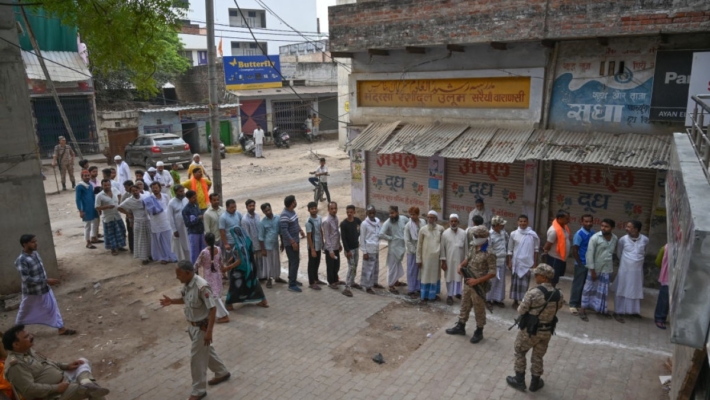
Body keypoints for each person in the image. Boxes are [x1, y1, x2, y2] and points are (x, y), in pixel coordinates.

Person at [159, 261, 231, 400]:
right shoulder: (187, 284)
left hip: (202, 328)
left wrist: (209, 331)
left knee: (196, 359)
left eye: (179, 274)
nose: (177, 277)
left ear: (188, 273)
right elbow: (186, 299)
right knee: (207, 351)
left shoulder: (202, 286)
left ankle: (198, 391)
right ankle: (221, 372)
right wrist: (172, 301)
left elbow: (212, 308)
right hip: (192, 326)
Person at [3, 325, 109, 399]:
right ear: (16, 345)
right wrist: (56, 388)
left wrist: (66, 366)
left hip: (63, 379)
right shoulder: (15, 365)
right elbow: (30, 390)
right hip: (52, 395)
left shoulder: (27, 350)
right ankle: (86, 384)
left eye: (29, 334)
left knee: (83, 361)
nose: (31, 337)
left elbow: (48, 362)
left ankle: (86, 382)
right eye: (26, 337)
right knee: (95, 390)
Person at [506, 264, 564, 393]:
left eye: (537, 275)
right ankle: (535, 383)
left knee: (520, 351)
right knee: (538, 356)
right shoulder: (559, 294)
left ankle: (519, 380)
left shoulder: (533, 292)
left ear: (544, 277)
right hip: (547, 330)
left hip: (530, 331)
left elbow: (521, 310)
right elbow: (558, 307)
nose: (535, 276)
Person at [14, 234, 76, 336]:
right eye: (33, 242)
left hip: (44, 288)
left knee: (53, 307)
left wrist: (46, 282)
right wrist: (46, 281)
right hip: (32, 292)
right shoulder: (21, 260)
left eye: (36, 241)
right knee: (24, 310)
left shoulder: (35, 254)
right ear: (25, 244)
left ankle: (61, 328)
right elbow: (26, 279)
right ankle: (17, 330)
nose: (36, 244)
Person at [445, 225, 496, 343]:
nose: (474, 237)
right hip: (468, 281)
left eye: (477, 236)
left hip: (479, 285)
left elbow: (493, 273)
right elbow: (467, 259)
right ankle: (461, 326)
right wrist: (461, 265)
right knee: (465, 304)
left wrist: (477, 281)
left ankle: (479, 330)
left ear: (483, 237)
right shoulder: (474, 246)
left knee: (479, 308)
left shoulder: (490, 252)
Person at [579, 219, 618, 322]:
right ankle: (582, 310)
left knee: (603, 290)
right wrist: (592, 271)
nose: (603, 228)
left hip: (607, 268)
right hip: (595, 268)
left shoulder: (614, 238)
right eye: (602, 226)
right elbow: (589, 254)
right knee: (588, 288)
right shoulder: (595, 238)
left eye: (606, 226)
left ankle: (600, 310)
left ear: (612, 228)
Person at [613, 220, 649, 320]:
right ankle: (618, 311)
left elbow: (645, 252)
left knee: (635, 290)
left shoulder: (645, 240)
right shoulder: (623, 240)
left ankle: (633, 311)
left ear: (636, 229)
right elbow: (619, 254)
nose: (626, 228)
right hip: (624, 270)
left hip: (637, 271)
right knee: (621, 288)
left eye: (629, 227)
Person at [225, 227, 269, 308]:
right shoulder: (246, 241)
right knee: (253, 282)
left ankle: (229, 304)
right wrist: (232, 258)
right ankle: (263, 300)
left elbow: (240, 260)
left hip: (240, 269)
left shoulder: (239, 245)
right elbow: (245, 253)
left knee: (234, 285)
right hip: (250, 267)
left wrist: (228, 267)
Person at [194, 233, 230, 324]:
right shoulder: (218, 249)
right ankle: (212, 313)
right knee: (215, 295)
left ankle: (224, 315)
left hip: (209, 277)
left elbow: (197, 264)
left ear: (205, 241)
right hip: (217, 276)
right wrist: (223, 272)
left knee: (214, 297)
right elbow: (221, 261)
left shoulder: (204, 252)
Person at [508, 215, 540, 308]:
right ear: (518, 222)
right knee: (515, 283)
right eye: (520, 221)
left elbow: (536, 250)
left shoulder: (532, 235)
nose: (522, 223)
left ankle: (524, 301)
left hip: (527, 262)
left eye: (524, 221)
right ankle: (515, 301)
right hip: (516, 262)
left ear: (528, 222)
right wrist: (509, 261)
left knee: (525, 284)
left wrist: (535, 263)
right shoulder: (513, 234)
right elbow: (510, 249)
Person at [118, 185, 151, 264]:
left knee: (150, 239)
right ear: (131, 192)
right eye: (133, 191)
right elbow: (119, 207)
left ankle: (150, 255)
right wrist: (128, 214)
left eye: (136, 190)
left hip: (147, 220)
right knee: (141, 240)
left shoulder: (145, 197)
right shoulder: (129, 201)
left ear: (139, 190)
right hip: (138, 222)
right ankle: (144, 258)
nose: (135, 192)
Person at [416, 210, 444, 302]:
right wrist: (418, 259)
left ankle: (433, 296)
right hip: (425, 258)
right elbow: (419, 245)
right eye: (428, 217)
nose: (430, 219)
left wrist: (443, 258)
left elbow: (443, 245)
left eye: (432, 217)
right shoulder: (423, 229)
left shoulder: (441, 229)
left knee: (434, 276)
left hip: (436, 259)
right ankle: (424, 296)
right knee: (425, 276)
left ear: (435, 218)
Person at [379, 205, 408, 294]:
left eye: (393, 213)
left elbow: (409, 224)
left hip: (401, 247)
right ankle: (391, 285)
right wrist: (390, 238)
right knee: (392, 267)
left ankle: (396, 282)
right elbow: (381, 234)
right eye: (390, 213)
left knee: (397, 265)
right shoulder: (388, 222)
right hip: (393, 248)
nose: (391, 215)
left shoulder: (403, 219)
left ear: (397, 213)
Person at [569, 214, 594, 316]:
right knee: (578, 284)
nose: (588, 223)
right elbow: (575, 249)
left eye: (590, 221)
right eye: (586, 221)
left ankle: (581, 302)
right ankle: (573, 304)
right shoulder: (579, 234)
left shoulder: (592, 233)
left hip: (589, 263)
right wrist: (579, 262)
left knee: (585, 285)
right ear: (582, 222)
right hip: (581, 263)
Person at [440, 214, 467, 305]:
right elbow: (442, 249)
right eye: (452, 221)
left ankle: (458, 293)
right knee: (449, 278)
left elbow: (466, 248)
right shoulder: (445, 233)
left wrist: (466, 260)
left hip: (460, 260)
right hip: (449, 261)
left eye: (455, 221)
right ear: (449, 222)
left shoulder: (463, 233)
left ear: (458, 222)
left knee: (459, 277)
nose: (453, 223)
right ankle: (450, 295)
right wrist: (443, 262)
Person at [95, 179, 127, 256]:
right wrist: (107, 206)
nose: (107, 187)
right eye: (105, 185)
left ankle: (120, 246)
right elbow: (97, 207)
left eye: (108, 185)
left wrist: (119, 202)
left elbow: (119, 194)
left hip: (117, 215)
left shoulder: (114, 190)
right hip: (108, 217)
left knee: (121, 230)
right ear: (102, 186)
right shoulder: (99, 196)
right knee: (111, 234)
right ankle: (113, 248)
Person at [147, 182, 177, 264]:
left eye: (156, 187)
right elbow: (148, 211)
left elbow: (169, 207)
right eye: (153, 188)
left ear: (160, 188)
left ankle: (173, 256)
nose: (155, 189)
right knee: (159, 240)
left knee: (169, 239)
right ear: (151, 189)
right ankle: (164, 257)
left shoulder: (165, 196)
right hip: (156, 222)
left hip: (166, 221)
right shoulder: (149, 199)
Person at [280, 195, 305, 292]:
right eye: (294, 201)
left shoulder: (292, 211)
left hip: (295, 240)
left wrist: (300, 230)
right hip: (290, 244)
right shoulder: (284, 215)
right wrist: (293, 242)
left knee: (293, 261)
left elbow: (296, 222)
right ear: (291, 203)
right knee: (295, 261)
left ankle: (292, 278)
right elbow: (284, 231)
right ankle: (292, 284)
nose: (296, 202)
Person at [258, 203, 286, 288]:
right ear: (263, 212)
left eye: (269, 209)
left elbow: (280, 232)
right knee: (268, 264)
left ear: (271, 208)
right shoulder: (262, 222)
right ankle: (269, 279)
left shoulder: (277, 218)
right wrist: (263, 250)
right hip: (267, 246)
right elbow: (261, 237)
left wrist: (282, 243)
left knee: (276, 262)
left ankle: (277, 277)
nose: (268, 212)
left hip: (275, 245)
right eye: (266, 211)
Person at [543, 210, 571, 287]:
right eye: (566, 218)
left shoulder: (564, 227)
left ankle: (552, 292)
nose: (568, 220)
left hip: (561, 259)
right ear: (559, 218)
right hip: (554, 258)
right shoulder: (554, 231)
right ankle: (549, 294)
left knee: (556, 278)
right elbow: (547, 246)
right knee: (552, 279)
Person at [487, 216, 509, 307]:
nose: (503, 226)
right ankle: (488, 299)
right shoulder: (489, 235)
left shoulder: (503, 233)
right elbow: (488, 250)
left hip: (502, 262)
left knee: (501, 282)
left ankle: (497, 299)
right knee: (491, 282)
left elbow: (506, 243)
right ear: (495, 225)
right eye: (501, 224)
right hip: (493, 263)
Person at [340, 205, 362, 297]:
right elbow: (343, 239)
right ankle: (347, 287)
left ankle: (352, 281)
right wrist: (347, 250)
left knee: (355, 265)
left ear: (354, 212)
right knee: (351, 267)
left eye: (351, 212)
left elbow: (361, 230)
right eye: (347, 212)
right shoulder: (343, 224)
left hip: (356, 248)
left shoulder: (357, 221)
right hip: (349, 250)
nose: (349, 214)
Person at [76, 170, 101, 250]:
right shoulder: (79, 186)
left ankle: (94, 237)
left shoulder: (90, 185)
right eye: (85, 176)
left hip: (93, 207)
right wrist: (80, 210)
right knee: (87, 225)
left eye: (88, 175)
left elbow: (93, 196)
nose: (87, 177)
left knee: (95, 222)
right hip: (86, 208)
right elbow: (78, 199)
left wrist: (97, 206)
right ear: (82, 177)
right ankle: (88, 242)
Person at [404, 207, 425, 298]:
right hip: (412, 252)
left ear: (418, 214)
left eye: (414, 214)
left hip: (422, 250)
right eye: (411, 214)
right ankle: (411, 289)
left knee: (420, 270)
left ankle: (418, 288)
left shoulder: (423, 222)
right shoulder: (408, 226)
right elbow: (407, 241)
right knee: (412, 270)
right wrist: (415, 251)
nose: (412, 216)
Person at [360, 205, 382, 294]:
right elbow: (362, 239)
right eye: (370, 213)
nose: (372, 214)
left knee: (375, 267)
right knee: (368, 269)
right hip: (368, 250)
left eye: (373, 212)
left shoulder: (377, 222)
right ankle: (367, 286)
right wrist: (364, 252)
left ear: (375, 213)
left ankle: (374, 283)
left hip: (376, 248)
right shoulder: (364, 224)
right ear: (367, 213)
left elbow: (379, 233)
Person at [241, 199, 263, 282]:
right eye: (250, 206)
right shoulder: (244, 219)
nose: (252, 207)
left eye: (253, 205)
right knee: (253, 262)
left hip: (259, 243)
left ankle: (261, 276)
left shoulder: (257, 215)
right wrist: (250, 247)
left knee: (260, 261)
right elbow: (246, 235)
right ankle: (254, 278)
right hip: (252, 245)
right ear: (246, 207)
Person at [322, 202, 343, 289]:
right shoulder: (326, 221)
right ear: (328, 210)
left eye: (335, 208)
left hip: (336, 246)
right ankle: (331, 282)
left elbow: (336, 233)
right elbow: (327, 236)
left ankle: (335, 279)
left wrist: (339, 244)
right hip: (330, 248)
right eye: (332, 209)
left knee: (336, 265)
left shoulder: (336, 218)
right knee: (330, 266)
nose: (334, 210)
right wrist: (330, 250)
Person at [182, 190, 206, 265]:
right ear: (188, 198)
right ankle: (195, 269)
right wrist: (198, 218)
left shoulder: (196, 205)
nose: (195, 199)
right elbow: (187, 223)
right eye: (193, 197)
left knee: (203, 250)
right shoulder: (185, 210)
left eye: (195, 197)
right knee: (195, 253)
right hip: (193, 233)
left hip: (201, 231)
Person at [305, 201, 325, 290]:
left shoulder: (320, 218)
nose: (314, 210)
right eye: (312, 209)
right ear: (309, 210)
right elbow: (309, 236)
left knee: (317, 262)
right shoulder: (308, 222)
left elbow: (321, 230)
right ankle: (311, 282)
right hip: (312, 246)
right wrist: (312, 249)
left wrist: (322, 242)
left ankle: (316, 279)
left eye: (315, 208)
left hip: (318, 244)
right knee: (312, 264)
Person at [168, 185, 190, 261]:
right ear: (175, 192)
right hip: (178, 228)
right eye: (180, 191)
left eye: (183, 191)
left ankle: (189, 261)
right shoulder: (171, 203)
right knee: (180, 246)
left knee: (188, 245)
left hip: (187, 227)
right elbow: (170, 217)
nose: (183, 193)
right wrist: (174, 230)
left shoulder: (186, 200)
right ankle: (182, 263)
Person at [654, 244, 669, 330]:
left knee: (664, 299)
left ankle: (660, 318)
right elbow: (658, 262)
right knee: (664, 299)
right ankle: (660, 318)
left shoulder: (665, 247)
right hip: (667, 277)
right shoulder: (666, 248)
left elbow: (657, 262)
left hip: (667, 277)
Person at [122, 180, 135, 252]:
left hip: (138, 217)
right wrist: (127, 214)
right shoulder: (125, 195)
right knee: (131, 232)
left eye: (126, 187)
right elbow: (121, 207)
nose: (125, 189)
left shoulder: (136, 193)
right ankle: (132, 248)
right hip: (129, 217)